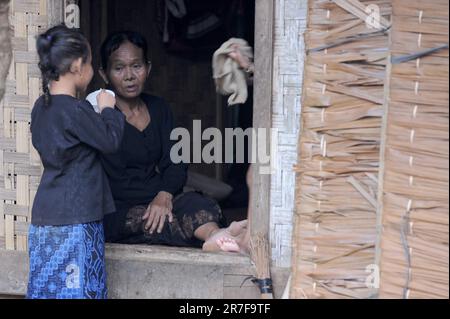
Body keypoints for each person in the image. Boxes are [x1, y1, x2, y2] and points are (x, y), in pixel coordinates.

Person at [97, 31, 248, 253]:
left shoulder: (159, 108)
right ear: (104, 73)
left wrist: (164, 194)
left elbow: (176, 161)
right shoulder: (101, 115)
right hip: (121, 210)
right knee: (158, 222)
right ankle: (223, 238)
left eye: (136, 66)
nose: (129, 75)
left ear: (148, 68)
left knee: (198, 203)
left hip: (159, 197)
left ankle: (216, 236)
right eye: (119, 68)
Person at [27, 25, 125, 299]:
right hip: (77, 219)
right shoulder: (76, 111)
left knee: (48, 291)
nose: (92, 69)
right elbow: (110, 141)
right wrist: (107, 109)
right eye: (91, 62)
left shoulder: (40, 107)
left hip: (44, 220)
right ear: (78, 65)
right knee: (82, 291)